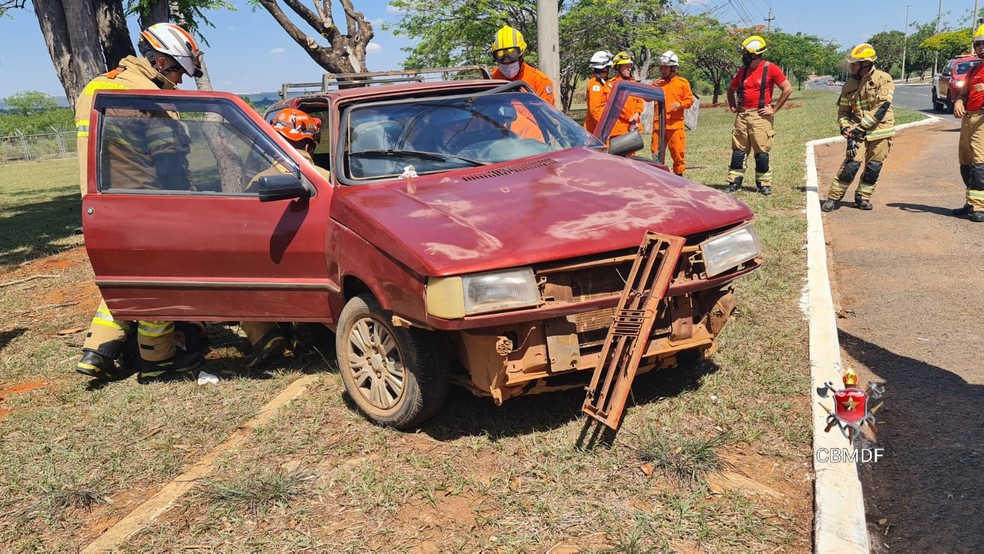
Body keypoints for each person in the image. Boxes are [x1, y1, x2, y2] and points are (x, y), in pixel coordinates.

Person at [75, 23, 205, 383]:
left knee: (121, 277)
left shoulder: (97, 87)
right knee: (156, 284)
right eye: (178, 70)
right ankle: (159, 363)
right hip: (143, 205)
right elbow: (169, 162)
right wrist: (186, 204)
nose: (179, 80)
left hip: (99, 205)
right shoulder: (150, 97)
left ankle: (99, 350)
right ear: (161, 60)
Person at [242, 108, 332, 369]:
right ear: (308, 143)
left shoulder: (258, 183)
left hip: (269, 265)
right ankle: (304, 329)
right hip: (316, 266)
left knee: (241, 273)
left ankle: (264, 334)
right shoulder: (327, 181)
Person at [821, 43, 895, 212]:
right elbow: (843, 111)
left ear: (866, 64)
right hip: (856, 131)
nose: (851, 66)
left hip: (880, 130)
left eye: (855, 63)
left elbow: (881, 108)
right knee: (850, 165)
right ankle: (833, 198)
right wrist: (845, 126)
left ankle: (863, 198)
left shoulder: (884, 79)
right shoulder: (848, 86)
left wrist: (860, 128)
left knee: (873, 167)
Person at [725, 35, 793, 196]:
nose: (744, 57)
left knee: (761, 152)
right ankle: (734, 182)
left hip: (761, 116)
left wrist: (774, 109)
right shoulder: (742, 72)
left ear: (755, 54)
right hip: (742, 116)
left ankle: (764, 184)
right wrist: (734, 105)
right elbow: (730, 90)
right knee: (738, 151)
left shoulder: (771, 68)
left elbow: (787, 88)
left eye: (746, 54)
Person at [952, 26, 984, 222]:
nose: (981, 48)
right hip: (969, 119)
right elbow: (963, 92)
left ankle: (979, 206)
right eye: (978, 44)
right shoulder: (973, 70)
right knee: (966, 162)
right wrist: (958, 101)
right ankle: (971, 201)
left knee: (980, 163)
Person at [651, 50, 694, 176]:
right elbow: (647, 98)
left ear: (673, 68)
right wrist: (651, 87)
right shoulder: (658, 84)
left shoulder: (682, 83)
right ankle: (658, 176)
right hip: (659, 126)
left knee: (677, 152)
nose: (662, 70)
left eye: (665, 68)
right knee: (656, 152)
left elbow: (690, 100)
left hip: (675, 126)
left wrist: (680, 104)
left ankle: (679, 177)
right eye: (661, 68)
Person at [490, 25, 556, 105]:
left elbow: (546, 115)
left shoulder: (539, 82)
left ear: (522, 54)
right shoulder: (491, 79)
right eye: (500, 55)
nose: (507, 60)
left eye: (512, 54)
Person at [609, 51, 644, 140]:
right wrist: (630, 119)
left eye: (630, 66)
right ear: (618, 67)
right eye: (626, 67)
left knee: (632, 154)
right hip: (619, 129)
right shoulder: (612, 84)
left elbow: (639, 102)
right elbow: (615, 106)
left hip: (634, 126)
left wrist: (637, 114)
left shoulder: (634, 83)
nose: (629, 69)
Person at [583, 51, 613, 134]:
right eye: (608, 67)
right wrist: (605, 126)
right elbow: (595, 110)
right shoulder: (596, 85)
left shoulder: (604, 83)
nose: (608, 70)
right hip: (595, 130)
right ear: (603, 68)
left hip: (601, 128)